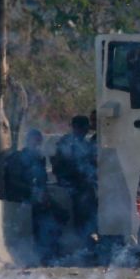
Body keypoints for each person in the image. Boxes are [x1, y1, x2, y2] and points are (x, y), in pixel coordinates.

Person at [52, 113, 99, 264]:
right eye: (83, 128)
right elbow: (60, 166)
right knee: (80, 218)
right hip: (73, 187)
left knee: (88, 216)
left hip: (83, 187)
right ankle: (80, 248)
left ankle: (86, 246)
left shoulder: (83, 144)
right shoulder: (67, 144)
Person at [5, 129, 57, 264]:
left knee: (52, 218)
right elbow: (14, 181)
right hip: (20, 200)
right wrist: (32, 191)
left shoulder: (40, 158)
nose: (38, 143)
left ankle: (45, 254)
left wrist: (43, 194)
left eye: (39, 140)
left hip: (37, 199)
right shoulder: (18, 158)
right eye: (35, 140)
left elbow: (43, 180)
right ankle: (28, 257)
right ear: (28, 140)